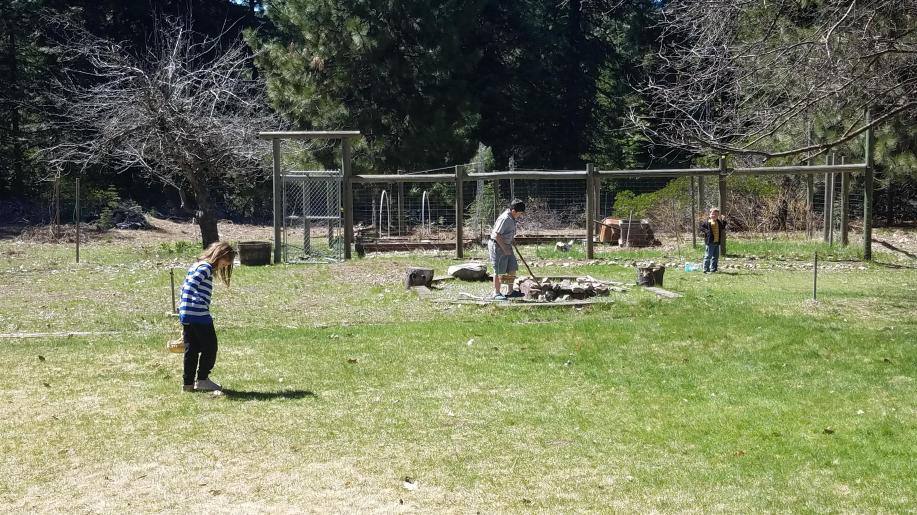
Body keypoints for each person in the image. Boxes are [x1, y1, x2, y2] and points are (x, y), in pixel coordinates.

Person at [178, 241, 236, 392]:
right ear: (219, 255)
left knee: (192, 349)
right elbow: (190, 286)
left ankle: (188, 384)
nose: (223, 267)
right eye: (224, 263)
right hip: (198, 313)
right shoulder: (206, 268)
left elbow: (184, 288)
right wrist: (200, 303)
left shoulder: (196, 265)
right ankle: (203, 379)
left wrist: (182, 311)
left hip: (188, 313)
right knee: (210, 347)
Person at [489, 199, 526, 300]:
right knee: (499, 270)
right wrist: (505, 249)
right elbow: (496, 235)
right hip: (498, 245)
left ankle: (510, 292)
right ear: (514, 211)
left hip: (506, 245)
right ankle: (496, 293)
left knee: (512, 268)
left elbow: (506, 232)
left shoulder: (511, 217)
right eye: (520, 213)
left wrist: (511, 240)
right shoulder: (505, 218)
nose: (520, 215)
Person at [699, 207, 727, 273]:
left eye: (716, 214)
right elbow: (701, 227)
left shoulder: (718, 222)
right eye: (712, 214)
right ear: (710, 215)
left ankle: (713, 269)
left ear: (718, 216)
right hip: (710, 242)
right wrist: (707, 231)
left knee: (715, 257)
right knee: (708, 256)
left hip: (716, 242)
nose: (714, 215)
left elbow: (722, 227)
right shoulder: (708, 222)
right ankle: (706, 269)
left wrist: (724, 220)